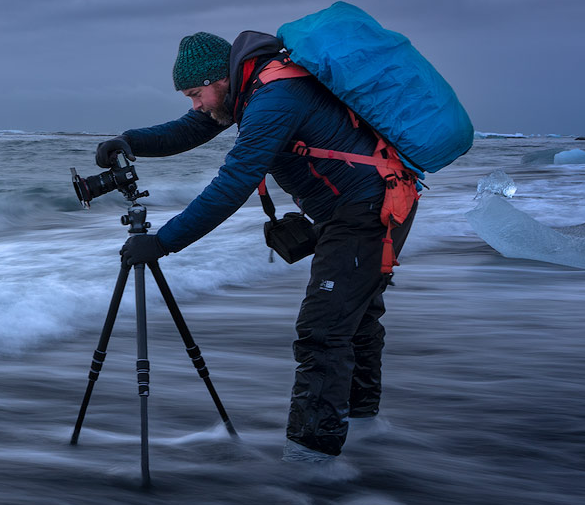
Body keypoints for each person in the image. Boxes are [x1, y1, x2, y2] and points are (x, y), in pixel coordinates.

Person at [96, 29, 420, 464]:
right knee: (353, 321)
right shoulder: (254, 88)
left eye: (196, 93)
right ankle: (364, 429)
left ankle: (311, 463)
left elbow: (233, 184)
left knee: (323, 330)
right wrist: (130, 142)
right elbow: (192, 129)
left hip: (366, 212)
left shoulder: (274, 99)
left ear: (222, 79)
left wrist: (163, 242)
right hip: (361, 206)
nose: (196, 105)